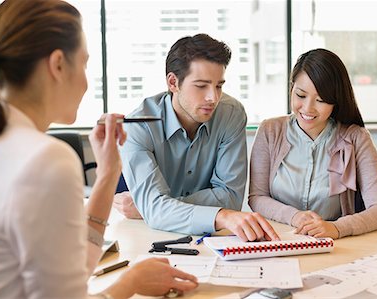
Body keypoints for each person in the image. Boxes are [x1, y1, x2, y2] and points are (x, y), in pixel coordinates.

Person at [0, 1, 197, 298]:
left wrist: (107, 176)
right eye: (85, 63)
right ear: (58, 65)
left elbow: (69, 267)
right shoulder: (44, 159)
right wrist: (130, 284)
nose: (87, 82)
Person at [114, 33, 279, 242]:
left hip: (210, 240)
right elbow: (156, 211)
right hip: (148, 238)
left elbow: (231, 198)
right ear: (173, 82)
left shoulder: (231, 114)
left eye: (219, 85)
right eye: (201, 86)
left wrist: (158, 208)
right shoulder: (138, 127)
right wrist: (219, 215)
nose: (213, 97)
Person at [248, 48, 377, 239]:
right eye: (301, 95)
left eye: (321, 100)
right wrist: (295, 217)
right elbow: (257, 198)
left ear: (336, 101)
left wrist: (337, 228)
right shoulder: (269, 131)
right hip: (277, 241)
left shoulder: (357, 137)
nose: (307, 108)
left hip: (333, 245)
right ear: (291, 88)